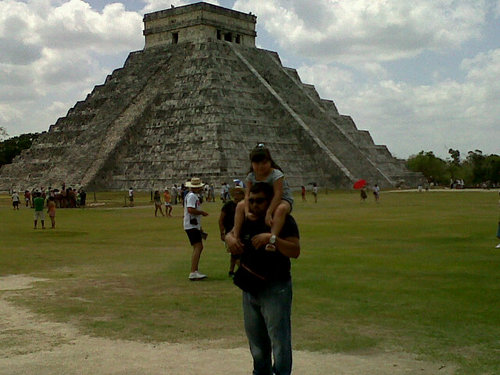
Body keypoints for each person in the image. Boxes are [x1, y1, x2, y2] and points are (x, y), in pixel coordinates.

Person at [225, 182, 300, 375]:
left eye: (260, 201)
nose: (254, 205)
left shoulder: (284, 221)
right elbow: (230, 234)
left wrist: (271, 238)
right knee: (257, 344)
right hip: (249, 288)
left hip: (275, 288)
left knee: (279, 342)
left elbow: (295, 250)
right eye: (251, 201)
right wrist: (230, 239)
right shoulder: (245, 219)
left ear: (270, 202)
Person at [232, 144, 293, 252]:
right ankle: (235, 237)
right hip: (261, 200)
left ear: (270, 162)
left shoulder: (276, 174)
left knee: (281, 209)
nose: (260, 166)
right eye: (257, 163)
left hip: (281, 199)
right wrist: (246, 212)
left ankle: (272, 239)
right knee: (240, 205)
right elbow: (247, 195)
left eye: (264, 163)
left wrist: (269, 212)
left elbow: (278, 195)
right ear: (252, 164)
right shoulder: (251, 176)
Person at [183, 177, 209, 280]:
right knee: (198, 247)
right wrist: (201, 213)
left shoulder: (192, 196)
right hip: (191, 225)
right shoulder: (192, 196)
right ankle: (193, 271)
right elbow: (190, 210)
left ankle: (195, 270)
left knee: (198, 247)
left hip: (193, 225)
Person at [219, 186, 245, 277]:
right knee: (236, 253)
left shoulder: (244, 206)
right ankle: (243, 271)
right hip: (230, 233)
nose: (237, 195)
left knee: (235, 253)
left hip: (241, 232)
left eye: (239, 193)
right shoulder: (228, 205)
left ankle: (231, 271)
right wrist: (222, 232)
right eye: (236, 193)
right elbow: (221, 220)